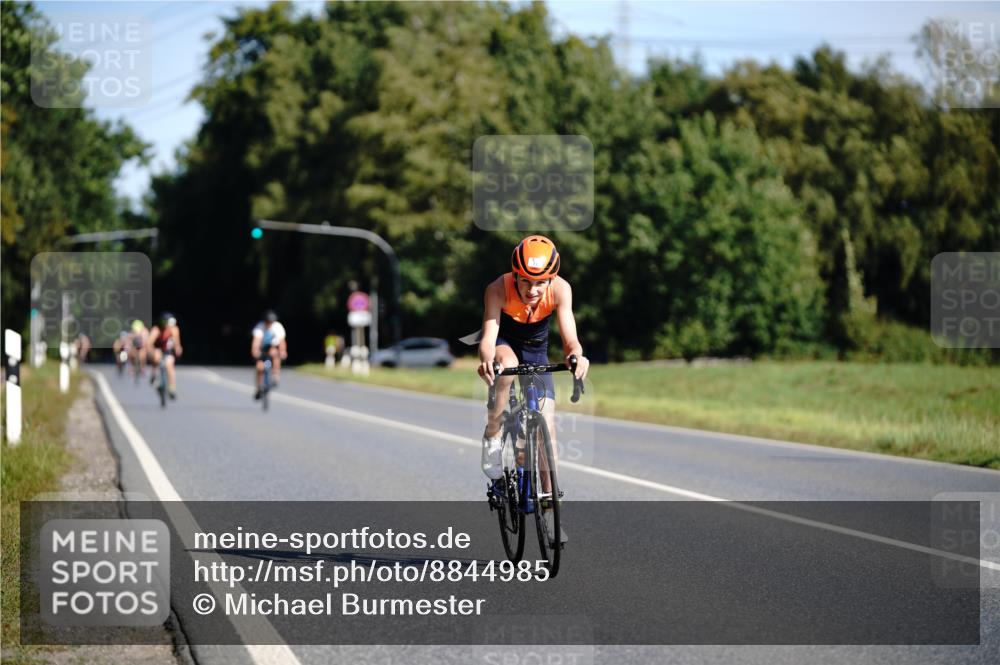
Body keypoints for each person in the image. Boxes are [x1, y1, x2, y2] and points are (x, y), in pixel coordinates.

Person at [477, 235, 590, 543]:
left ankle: (550, 512)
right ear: (516, 275)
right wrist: (488, 360)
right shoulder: (498, 289)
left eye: (541, 282)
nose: (533, 289)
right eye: (526, 281)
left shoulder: (561, 289)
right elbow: (488, 338)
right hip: (504, 344)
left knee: (547, 433)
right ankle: (493, 431)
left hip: (537, 350)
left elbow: (570, 339)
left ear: (551, 279)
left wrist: (576, 357)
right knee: (506, 367)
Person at [252, 310, 287, 399]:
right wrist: (255, 351)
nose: (269, 324)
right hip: (262, 349)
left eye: (271, 322)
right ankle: (258, 387)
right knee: (259, 367)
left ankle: (275, 375)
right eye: (268, 322)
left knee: (276, 355)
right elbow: (256, 341)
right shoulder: (260, 327)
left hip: (272, 347)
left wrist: (283, 351)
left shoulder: (277, 327)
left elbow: (281, 341)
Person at [148, 312, 183, 399]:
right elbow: (149, 343)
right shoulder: (156, 330)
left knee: (169, 365)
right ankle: (154, 375)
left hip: (168, 351)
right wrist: (152, 351)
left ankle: (171, 388)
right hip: (158, 349)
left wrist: (178, 349)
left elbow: (177, 343)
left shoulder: (174, 330)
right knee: (156, 357)